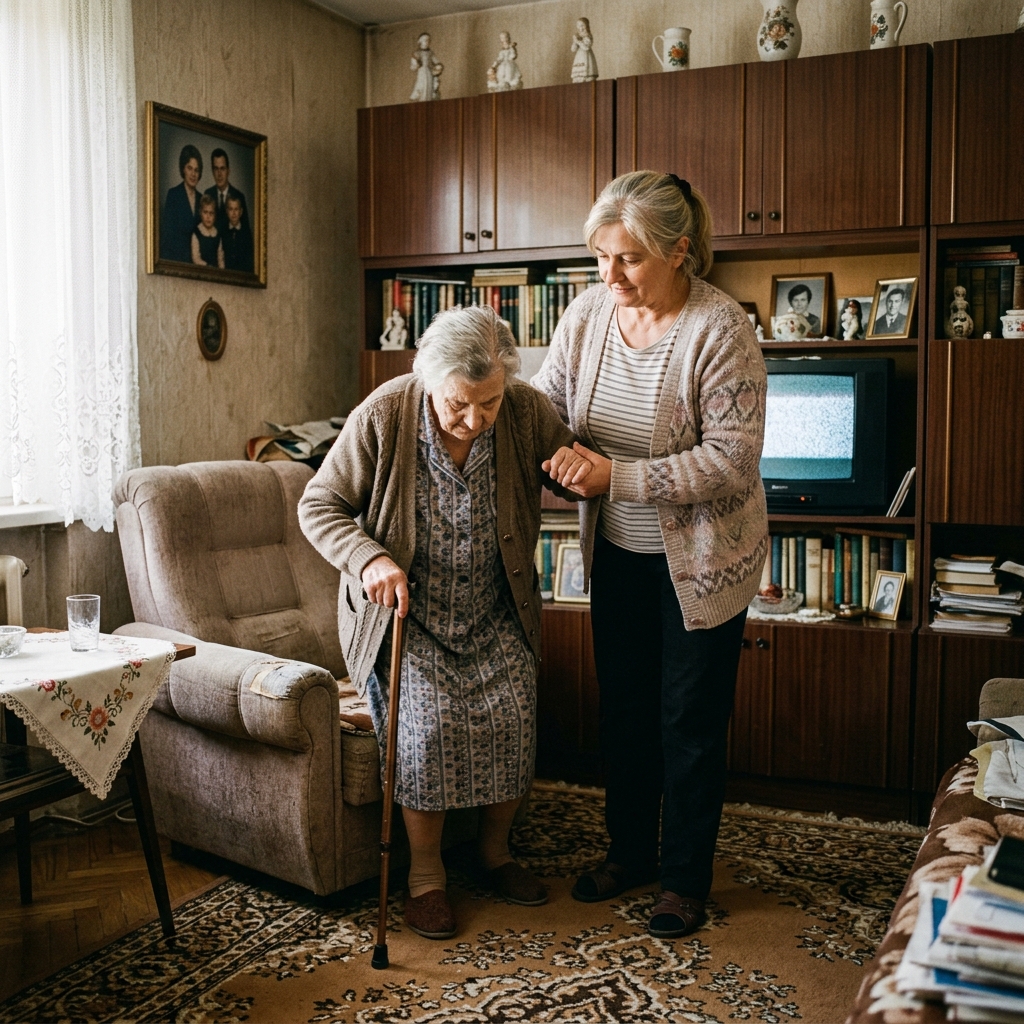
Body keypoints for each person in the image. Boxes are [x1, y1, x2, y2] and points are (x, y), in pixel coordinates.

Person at [298, 304, 587, 941]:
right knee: (423, 731)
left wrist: (580, 472)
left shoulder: (523, 410)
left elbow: (567, 468)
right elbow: (318, 505)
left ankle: (494, 855)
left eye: (489, 403)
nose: (476, 420)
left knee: (513, 717)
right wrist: (368, 557)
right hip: (408, 618)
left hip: (493, 607)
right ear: (429, 378)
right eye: (460, 404)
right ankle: (425, 877)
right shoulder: (384, 413)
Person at [533, 170, 768, 940]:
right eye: (600, 257)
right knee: (625, 712)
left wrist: (615, 475)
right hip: (619, 554)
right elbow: (552, 407)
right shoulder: (589, 313)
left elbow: (731, 461)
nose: (610, 276)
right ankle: (629, 853)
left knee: (688, 721)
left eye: (628, 259)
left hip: (703, 564)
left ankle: (682, 881)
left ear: (679, 251)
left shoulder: (720, 327)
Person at [161, 144, 203, 263]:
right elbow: (167, 237)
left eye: (196, 170)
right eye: (189, 168)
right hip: (178, 262)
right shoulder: (173, 195)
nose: (193, 174)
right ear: (183, 169)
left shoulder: (202, 199)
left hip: (197, 266)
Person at [204, 148, 249, 236]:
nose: (219, 174)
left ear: (228, 171)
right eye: (216, 169)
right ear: (213, 172)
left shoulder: (239, 196)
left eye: (222, 169)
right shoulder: (208, 194)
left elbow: (245, 233)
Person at [221, 196, 254, 273]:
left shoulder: (246, 233)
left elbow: (249, 257)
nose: (234, 213)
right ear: (227, 211)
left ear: (241, 211)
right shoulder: (222, 231)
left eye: (236, 209)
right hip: (226, 274)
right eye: (231, 209)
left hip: (242, 274)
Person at [191, 194, 225, 268]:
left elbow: (220, 258)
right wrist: (208, 267)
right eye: (205, 212)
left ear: (215, 215)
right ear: (200, 213)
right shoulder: (197, 233)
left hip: (216, 274)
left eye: (211, 213)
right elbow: (196, 258)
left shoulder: (217, 234)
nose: (208, 217)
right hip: (201, 272)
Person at [410, 32, 443, 102]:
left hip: (429, 72)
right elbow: (413, 66)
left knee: (429, 87)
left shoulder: (430, 53)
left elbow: (436, 61)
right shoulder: (417, 53)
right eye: (425, 40)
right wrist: (416, 65)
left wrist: (438, 66)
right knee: (421, 87)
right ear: (420, 41)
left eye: (428, 40)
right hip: (422, 72)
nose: (427, 42)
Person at [571, 18, 598, 83]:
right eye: (579, 25)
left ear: (586, 26)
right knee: (578, 76)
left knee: (587, 74)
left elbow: (586, 47)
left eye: (582, 25)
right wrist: (575, 42)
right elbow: (573, 49)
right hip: (579, 56)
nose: (581, 27)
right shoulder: (577, 35)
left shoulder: (588, 35)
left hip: (586, 56)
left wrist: (578, 41)